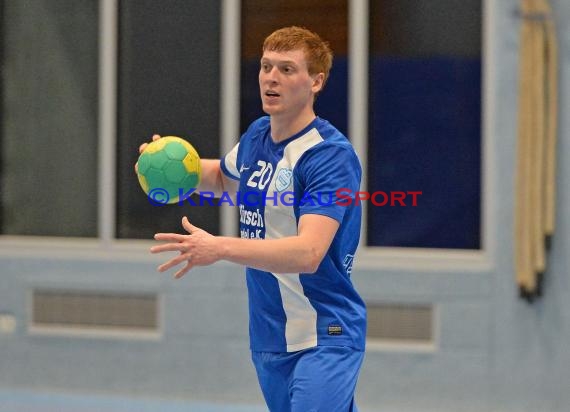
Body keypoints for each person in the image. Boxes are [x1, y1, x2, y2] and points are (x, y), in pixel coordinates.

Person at [138, 26, 366, 412]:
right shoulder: (258, 136)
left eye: (287, 69)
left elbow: (309, 252)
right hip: (270, 336)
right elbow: (222, 180)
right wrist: (166, 166)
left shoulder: (329, 157)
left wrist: (219, 247)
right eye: (265, 66)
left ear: (316, 81)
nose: (271, 78)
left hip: (323, 334)